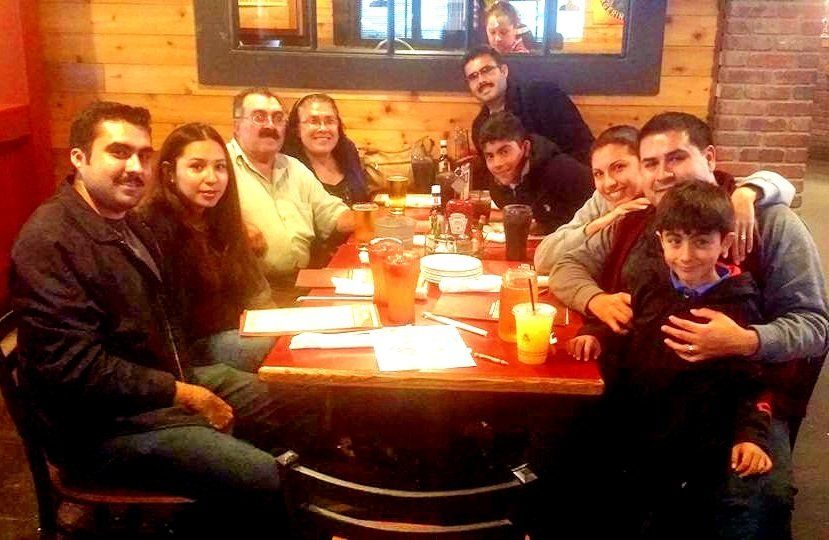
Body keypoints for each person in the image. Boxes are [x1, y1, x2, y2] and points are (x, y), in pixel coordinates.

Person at [10, 102, 313, 536]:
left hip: (153, 391)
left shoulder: (125, 224)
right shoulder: (51, 242)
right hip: (101, 432)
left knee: (291, 396)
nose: (135, 166)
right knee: (262, 476)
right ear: (79, 158)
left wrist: (183, 382)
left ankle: (228, 509)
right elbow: (75, 369)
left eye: (143, 154)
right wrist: (181, 392)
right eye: (118, 152)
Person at [551, 111, 829, 535]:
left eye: (676, 158)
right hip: (647, 383)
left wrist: (745, 340)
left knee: (754, 496)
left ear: (710, 157)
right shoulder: (638, 218)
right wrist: (597, 301)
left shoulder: (769, 222)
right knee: (564, 456)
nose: (663, 174)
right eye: (651, 163)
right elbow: (563, 264)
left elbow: (814, 327)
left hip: (748, 397)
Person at [569, 182, 775, 538]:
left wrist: (751, 437)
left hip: (699, 437)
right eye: (675, 241)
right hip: (637, 419)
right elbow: (621, 319)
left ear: (725, 243)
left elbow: (752, 382)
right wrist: (594, 334)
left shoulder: (740, 302)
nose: (686, 255)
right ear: (661, 240)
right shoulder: (650, 281)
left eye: (702, 242)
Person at [534, 125, 796, 274]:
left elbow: (782, 184)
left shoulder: (757, 215)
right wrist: (600, 223)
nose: (609, 183)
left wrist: (746, 193)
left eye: (619, 167)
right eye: (598, 174)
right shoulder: (613, 207)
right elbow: (550, 260)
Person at [141, 122, 275, 373]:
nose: (212, 178)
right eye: (196, 167)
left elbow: (256, 291)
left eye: (220, 167)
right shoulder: (153, 227)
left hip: (236, 331)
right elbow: (171, 324)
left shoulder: (221, 221)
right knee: (272, 345)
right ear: (170, 172)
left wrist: (274, 321)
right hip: (190, 352)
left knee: (295, 338)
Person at [228, 87, 356, 292]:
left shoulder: (293, 167)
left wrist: (380, 218)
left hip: (302, 282)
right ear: (236, 126)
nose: (270, 125)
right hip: (248, 290)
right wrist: (233, 228)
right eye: (259, 117)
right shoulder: (221, 165)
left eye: (278, 118)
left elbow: (334, 214)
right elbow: (194, 219)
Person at [463, 46, 594, 165]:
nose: (481, 80)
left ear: (504, 71)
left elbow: (583, 146)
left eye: (486, 70)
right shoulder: (479, 127)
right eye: (473, 77)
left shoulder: (543, 96)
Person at [478, 111, 593, 234]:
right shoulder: (498, 185)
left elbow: (598, 208)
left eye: (504, 152)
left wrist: (545, 227)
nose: (497, 164)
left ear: (526, 147)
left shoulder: (562, 170)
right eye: (490, 156)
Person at [283, 93, 370, 206]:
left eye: (330, 121)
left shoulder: (348, 153)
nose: (323, 128)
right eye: (313, 121)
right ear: (297, 129)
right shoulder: (287, 167)